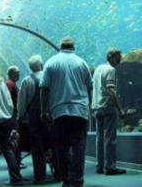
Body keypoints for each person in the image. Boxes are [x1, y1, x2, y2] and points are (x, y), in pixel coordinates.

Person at [41, 37, 93, 187]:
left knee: (62, 148)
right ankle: (77, 180)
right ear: (73, 47)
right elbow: (90, 87)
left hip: (59, 111)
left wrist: (44, 110)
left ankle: (66, 179)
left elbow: (44, 88)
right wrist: (90, 107)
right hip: (80, 111)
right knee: (79, 147)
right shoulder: (82, 62)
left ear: (60, 47)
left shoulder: (51, 62)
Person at [91, 49, 127, 176]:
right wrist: (120, 109)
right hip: (107, 107)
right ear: (112, 56)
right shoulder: (111, 70)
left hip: (96, 107)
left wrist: (93, 106)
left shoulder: (98, 70)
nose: (120, 59)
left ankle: (99, 166)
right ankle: (110, 167)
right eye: (118, 56)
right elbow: (111, 90)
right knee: (110, 138)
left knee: (99, 138)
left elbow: (93, 89)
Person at [18, 55, 48, 184]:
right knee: (56, 144)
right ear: (42, 64)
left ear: (30, 67)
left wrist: (22, 115)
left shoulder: (27, 81)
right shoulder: (49, 76)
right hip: (50, 116)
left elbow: (22, 102)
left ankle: (40, 177)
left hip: (34, 118)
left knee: (37, 147)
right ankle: (61, 173)